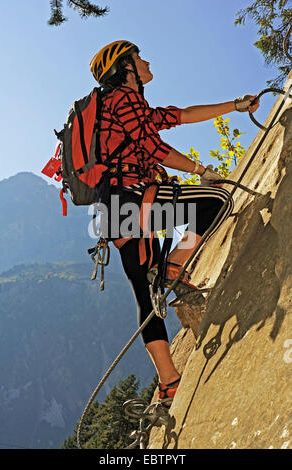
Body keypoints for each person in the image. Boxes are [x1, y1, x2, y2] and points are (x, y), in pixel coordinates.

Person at [90, 40, 260, 405]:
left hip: (114, 211)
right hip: (134, 198)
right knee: (216, 200)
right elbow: (154, 149)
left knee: (143, 293)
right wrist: (202, 170)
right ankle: (172, 268)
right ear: (125, 69)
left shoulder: (120, 108)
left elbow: (180, 115)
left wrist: (235, 105)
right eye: (139, 58)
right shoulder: (123, 99)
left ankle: (168, 380)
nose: (147, 61)